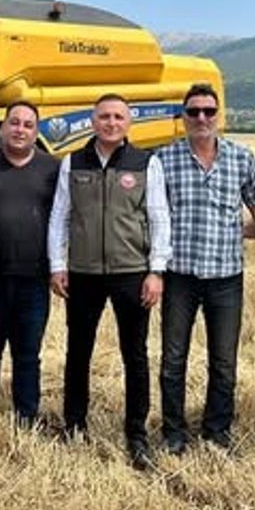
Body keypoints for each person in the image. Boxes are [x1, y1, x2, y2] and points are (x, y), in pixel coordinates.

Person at [48, 93, 171, 470]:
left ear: (128, 122)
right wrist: (57, 264)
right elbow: (59, 217)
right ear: (93, 120)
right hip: (83, 273)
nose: (111, 123)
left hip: (131, 272)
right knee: (78, 351)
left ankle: (136, 433)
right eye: (104, 116)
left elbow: (159, 218)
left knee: (135, 354)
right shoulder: (73, 162)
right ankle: (74, 425)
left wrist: (156, 270)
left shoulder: (146, 163)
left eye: (118, 117)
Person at [156, 82, 255, 453]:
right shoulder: (163, 159)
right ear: (183, 117)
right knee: (173, 360)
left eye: (209, 111)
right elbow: (151, 218)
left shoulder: (241, 158)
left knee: (223, 362)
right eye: (194, 111)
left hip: (226, 278)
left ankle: (217, 433)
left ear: (219, 115)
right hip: (179, 276)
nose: (202, 118)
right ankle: (173, 433)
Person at [0, 101, 58, 425]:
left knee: (28, 353)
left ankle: (27, 415)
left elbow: (63, 219)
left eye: (28, 125)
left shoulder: (53, 169)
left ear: (36, 131)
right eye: (14, 122)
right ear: (3, 127)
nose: (20, 130)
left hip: (34, 277)